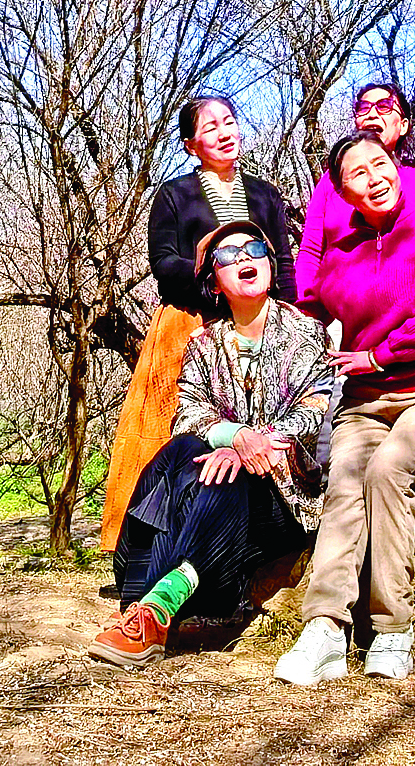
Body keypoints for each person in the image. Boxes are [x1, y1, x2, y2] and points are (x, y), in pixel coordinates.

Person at [272, 131, 415, 685]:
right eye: (357, 173)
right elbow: (312, 299)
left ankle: (393, 628)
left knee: (388, 472)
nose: (373, 176)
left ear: (396, 164)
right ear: (344, 191)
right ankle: (325, 630)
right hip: (363, 402)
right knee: (344, 481)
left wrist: (379, 354)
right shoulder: (341, 251)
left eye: (379, 163)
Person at [90, 219, 334, 667]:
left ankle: (149, 604)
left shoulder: (307, 331)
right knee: (178, 452)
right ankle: (152, 607)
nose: (244, 258)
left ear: (270, 261)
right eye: (227, 255)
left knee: (219, 470)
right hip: (212, 483)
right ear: (214, 283)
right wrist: (234, 436)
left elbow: (312, 410)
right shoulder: (203, 343)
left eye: (254, 248)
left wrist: (250, 444)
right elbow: (189, 412)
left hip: (280, 494)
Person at [98, 97, 299, 558]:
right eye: (210, 128)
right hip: (190, 320)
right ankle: (153, 543)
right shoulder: (173, 195)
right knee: (173, 427)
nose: (224, 132)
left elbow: (282, 262)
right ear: (191, 144)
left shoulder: (266, 194)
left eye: (229, 121)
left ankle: (242, 539)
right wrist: (217, 287)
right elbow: (164, 264)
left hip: (260, 322)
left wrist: (284, 315)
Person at [294, 80, 415, 307]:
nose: (372, 114)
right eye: (363, 108)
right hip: (342, 312)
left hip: (413, 310)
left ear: (403, 125)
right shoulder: (331, 182)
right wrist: (304, 314)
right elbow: (311, 252)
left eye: (384, 106)